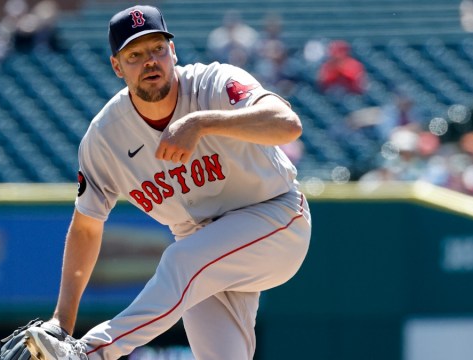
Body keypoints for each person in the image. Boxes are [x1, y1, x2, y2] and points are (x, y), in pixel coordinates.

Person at [21, 5, 312, 360]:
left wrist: (202, 123)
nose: (150, 61)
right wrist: (61, 324)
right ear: (117, 66)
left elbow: (287, 123)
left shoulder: (213, 83)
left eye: (158, 48)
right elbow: (86, 227)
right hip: (202, 248)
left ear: (172, 52)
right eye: (135, 54)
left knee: (180, 261)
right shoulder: (105, 137)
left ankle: (88, 354)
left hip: (276, 219)